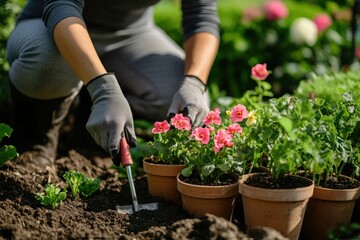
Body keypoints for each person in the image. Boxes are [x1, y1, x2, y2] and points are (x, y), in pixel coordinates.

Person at [6, 0, 220, 167]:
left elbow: (201, 16)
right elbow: (61, 5)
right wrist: (102, 89)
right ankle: (36, 140)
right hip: (51, 25)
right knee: (48, 59)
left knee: (188, 99)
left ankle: (87, 124)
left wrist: (194, 83)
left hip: (130, 35)